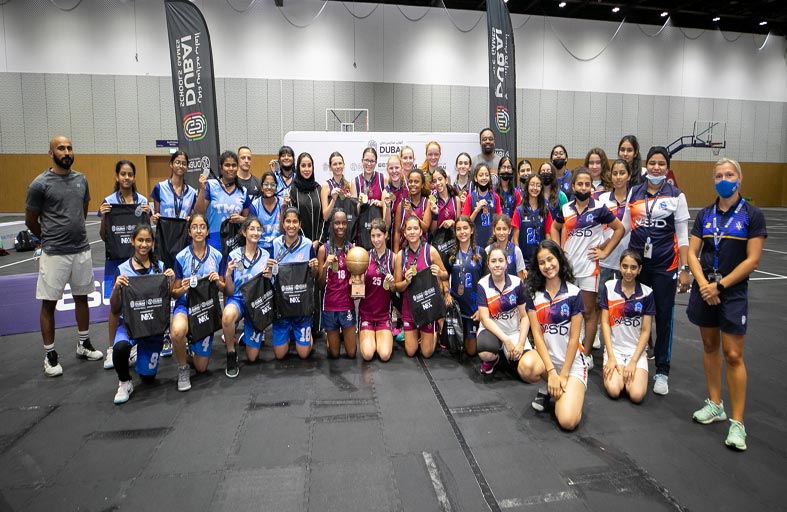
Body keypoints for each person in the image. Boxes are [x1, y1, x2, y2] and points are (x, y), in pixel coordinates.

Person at [687, 158, 766, 451]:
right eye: (719, 175)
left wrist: (719, 286)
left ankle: (738, 422)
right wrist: (704, 285)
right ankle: (715, 403)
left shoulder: (752, 215)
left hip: (731, 292)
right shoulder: (705, 214)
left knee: (733, 354)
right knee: (710, 346)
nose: (724, 179)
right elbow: (692, 253)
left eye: (729, 174)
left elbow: (752, 260)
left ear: (739, 179)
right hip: (705, 289)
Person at [25, 136, 102, 376]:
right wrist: (48, 238)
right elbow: (31, 220)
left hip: (81, 250)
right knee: (49, 303)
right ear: (51, 153)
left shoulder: (81, 180)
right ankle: (49, 354)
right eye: (61, 148)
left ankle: (83, 343)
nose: (66, 152)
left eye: (69, 148)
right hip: (54, 254)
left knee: (82, 298)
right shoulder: (39, 184)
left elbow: (83, 211)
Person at [628, 146, 691, 395]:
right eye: (652, 163)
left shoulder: (676, 195)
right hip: (638, 266)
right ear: (647, 165)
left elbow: (683, 237)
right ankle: (637, 359)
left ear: (667, 167)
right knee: (636, 313)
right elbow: (625, 227)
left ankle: (662, 370)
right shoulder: (635, 192)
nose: (656, 168)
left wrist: (685, 268)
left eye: (661, 164)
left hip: (666, 265)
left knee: (664, 317)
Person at [550, 168, 625, 369]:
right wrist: (558, 250)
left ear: (591, 187)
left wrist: (605, 251)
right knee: (567, 311)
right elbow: (554, 228)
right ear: (573, 186)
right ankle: (569, 349)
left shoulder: (599, 208)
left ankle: (587, 354)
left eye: (587, 184)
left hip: (589, 269)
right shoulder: (566, 208)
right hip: (568, 269)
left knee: (589, 312)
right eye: (580, 184)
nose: (583, 188)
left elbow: (620, 229)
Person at [517, 240, 587, 431]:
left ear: (559, 259)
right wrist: (551, 372)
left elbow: (574, 339)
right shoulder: (533, 295)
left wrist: (563, 374)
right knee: (525, 367)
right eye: (542, 262)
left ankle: (565, 391)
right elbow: (537, 336)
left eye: (550, 259)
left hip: (571, 364)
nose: (547, 266)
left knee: (567, 421)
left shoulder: (574, 293)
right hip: (547, 360)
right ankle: (549, 387)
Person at [108, 224, 176, 404]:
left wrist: (171, 281)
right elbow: (114, 308)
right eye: (140, 240)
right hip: (130, 325)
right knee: (119, 348)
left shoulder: (160, 266)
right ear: (132, 241)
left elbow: (166, 300)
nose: (144, 244)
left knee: (148, 377)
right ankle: (125, 382)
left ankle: (138, 354)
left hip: (152, 328)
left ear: (153, 243)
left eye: (148, 240)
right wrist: (116, 288)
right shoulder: (122, 269)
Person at [99, 160, 152, 366]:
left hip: (139, 262)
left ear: (134, 177)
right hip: (117, 261)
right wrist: (104, 216)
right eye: (123, 174)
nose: (127, 177)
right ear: (117, 176)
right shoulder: (109, 202)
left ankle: (136, 342)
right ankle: (112, 348)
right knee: (116, 307)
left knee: (139, 303)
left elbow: (148, 233)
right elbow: (104, 236)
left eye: (130, 174)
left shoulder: (142, 201)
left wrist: (148, 214)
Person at [170, 214, 224, 391]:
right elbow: (174, 293)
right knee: (177, 332)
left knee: (201, 367)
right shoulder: (181, 257)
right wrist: (183, 289)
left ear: (207, 231)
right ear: (189, 231)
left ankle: (190, 349)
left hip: (205, 308)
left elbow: (224, 288)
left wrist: (218, 282)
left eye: (202, 227)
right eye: (195, 227)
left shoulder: (217, 255)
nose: (198, 230)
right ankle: (183, 368)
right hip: (185, 306)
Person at [599, 249, 654, 403]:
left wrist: (633, 362)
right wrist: (611, 357)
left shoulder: (647, 293)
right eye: (625, 266)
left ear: (639, 269)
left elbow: (645, 331)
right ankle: (618, 369)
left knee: (636, 395)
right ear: (619, 266)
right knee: (614, 390)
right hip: (615, 350)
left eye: (633, 267)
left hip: (635, 352)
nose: (628, 271)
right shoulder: (609, 287)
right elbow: (605, 323)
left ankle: (630, 370)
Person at [221, 217, 273, 378]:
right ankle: (231, 353)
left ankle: (246, 336)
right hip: (238, 299)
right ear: (244, 232)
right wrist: (228, 275)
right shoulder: (234, 255)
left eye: (258, 229)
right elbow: (229, 291)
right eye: (252, 229)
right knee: (227, 316)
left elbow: (271, 286)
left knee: (252, 357)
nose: (255, 232)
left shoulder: (266, 255)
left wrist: (271, 276)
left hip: (256, 303)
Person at [394, 215, 449, 358]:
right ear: (405, 233)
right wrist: (406, 282)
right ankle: (419, 335)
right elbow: (397, 286)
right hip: (409, 306)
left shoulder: (430, 251)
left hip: (428, 306)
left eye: (415, 228)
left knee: (426, 353)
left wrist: (439, 272)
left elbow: (445, 274)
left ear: (420, 232)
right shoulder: (401, 255)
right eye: (409, 229)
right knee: (411, 351)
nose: (412, 232)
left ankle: (434, 332)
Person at [270, 207, 320, 360]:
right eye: (288, 221)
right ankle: (289, 333)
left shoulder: (307, 244)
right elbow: (271, 275)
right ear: (283, 223)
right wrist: (269, 270)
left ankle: (304, 336)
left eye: (295, 222)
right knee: (280, 355)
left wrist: (315, 267)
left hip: (301, 307)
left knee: (304, 354)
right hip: (282, 306)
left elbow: (314, 276)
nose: (291, 225)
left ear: (300, 224)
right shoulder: (275, 244)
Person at [475, 246, 529, 375]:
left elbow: (525, 317)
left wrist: (521, 344)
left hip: (513, 331)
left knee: (529, 369)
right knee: (485, 353)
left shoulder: (517, 283)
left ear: (506, 263)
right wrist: (506, 340)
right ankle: (495, 359)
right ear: (488, 264)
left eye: (500, 260)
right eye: (493, 261)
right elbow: (485, 319)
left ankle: (509, 356)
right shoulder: (482, 284)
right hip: (492, 331)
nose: (497, 265)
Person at [290, 152, 324, 335]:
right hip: (300, 245)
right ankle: (300, 326)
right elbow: (293, 219)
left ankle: (316, 326)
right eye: (303, 165)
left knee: (317, 283)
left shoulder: (318, 188)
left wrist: (318, 240)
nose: (306, 169)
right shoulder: (293, 189)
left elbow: (324, 218)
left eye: (309, 165)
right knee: (302, 284)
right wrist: (306, 242)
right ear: (298, 167)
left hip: (318, 244)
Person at [194, 150, 250, 261]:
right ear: (221, 167)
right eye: (227, 165)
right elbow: (199, 212)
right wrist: (202, 189)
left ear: (237, 167)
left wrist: (241, 219)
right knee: (215, 270)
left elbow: (249, 220)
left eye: (234, 165)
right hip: (214, 239)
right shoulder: (210, 185)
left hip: (235, 241)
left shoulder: (243, 191)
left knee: (234, 269)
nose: (231, 168)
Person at [318, 209, 357, 358]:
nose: (341, 227)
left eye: (344, 223)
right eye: (337, 223)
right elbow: (319, 285)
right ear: (332, 225)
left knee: (351, 353)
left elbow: (358, 281)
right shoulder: (324, 250)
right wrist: (325, 266)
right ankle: (331, 339)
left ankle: (339, 336)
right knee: (334, 354)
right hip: (330, 305)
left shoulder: (352, 249)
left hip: (347, 305)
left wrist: (355, 280)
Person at [447, 216, 485, 357]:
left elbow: (486, 283)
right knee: (454, 349)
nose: (462, 232)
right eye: (458, 229)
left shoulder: (480, 253)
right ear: (455, 232)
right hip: (456, 307)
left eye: (465, 228)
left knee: (471, 351)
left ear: (472, 230)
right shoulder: (451, 254)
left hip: (473, 308)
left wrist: (481, 308)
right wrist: (446, 293)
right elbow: (444, 277)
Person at [359, 219, 395, 362]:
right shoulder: (364, 257)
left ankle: (382, 334)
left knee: (384, 355)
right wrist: (357, 281)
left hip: (383, 315)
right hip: (366, 314)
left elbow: (397, 289)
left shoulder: (393, 258)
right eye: (373, 236)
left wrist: (392, 284)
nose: (376, 239)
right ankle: (367, 334)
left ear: (386, 235)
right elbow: (356, 289)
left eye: (379, 235)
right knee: (368, 354)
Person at [597, 159, 632, 288]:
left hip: (627, 261)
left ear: (629, 176)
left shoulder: (634, 199)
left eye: (622, 173)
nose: (618, 177)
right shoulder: (602, 199)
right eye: (615, 173)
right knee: (601, 298)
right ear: (610, 176)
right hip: (604, 261)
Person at [511, 174, 552, 273]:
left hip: (541, 261)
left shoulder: (545, 211)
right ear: (527, 186)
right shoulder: (519, 210)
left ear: (541, 188)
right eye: (532, 184)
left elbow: (548, 236)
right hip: (524, 262)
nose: (535, 188)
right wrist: (520, 264)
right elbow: (515, 239)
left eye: (538, 185)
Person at [461, 164, 502, 257]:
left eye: (486, 175)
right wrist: (476, 210)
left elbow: (500, 221)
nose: (484, 178)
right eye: (481, 175)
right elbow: (465, 223)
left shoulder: (495, 197)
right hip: (476, 242)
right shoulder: (470, 197)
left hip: (492, 242)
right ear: (476, 178)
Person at [150, 151, 198, 223]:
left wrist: (191, 219)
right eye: (177, 162)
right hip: (165, 229)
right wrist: (155, 218)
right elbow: (156, 216)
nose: (181, 166)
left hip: (184, 229)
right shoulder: (160, 187)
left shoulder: (192, 192)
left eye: (184, 164)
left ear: (187, 167)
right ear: (171, 164)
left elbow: (192, 216)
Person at [354, 147, 387, 249]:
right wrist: (359, 204)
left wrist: (382, 203)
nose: (369, 164)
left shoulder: (383, 179)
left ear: (376, 163)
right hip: (362, 233)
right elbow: (353, 214)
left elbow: (389, 204)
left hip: (379, 233)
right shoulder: (355, 182)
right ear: (362, 161)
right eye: (366, 160)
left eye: (372, 161)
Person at [393, 169, 432, 253]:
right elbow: (397, 232)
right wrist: (396, 253)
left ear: (422, 185)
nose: (413, 184)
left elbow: (425, 228)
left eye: (416, 182)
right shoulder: (402, 204)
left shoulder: (427, 203)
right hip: (404, 251)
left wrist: (411, 212)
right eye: (410, 181)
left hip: (422, 251)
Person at [429, 168, 460, 268]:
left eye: (440, 179)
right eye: (435, 181)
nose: (438, 183)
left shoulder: (456, 200)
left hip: (454, 244)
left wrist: (453, 222)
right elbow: (432, 231)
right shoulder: (432, 201)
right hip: (439, 247)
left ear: (446, 180)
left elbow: (460, 225)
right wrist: (435, 215)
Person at [249, 171, 283, 257]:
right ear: (261, 187)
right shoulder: (254, 206)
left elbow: (286, 230)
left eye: (272, 184)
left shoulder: (283, 203)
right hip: (260, 249)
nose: (269, 187)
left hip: (280, 248)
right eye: (266, 184)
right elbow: (251, 232)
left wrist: (284, 208)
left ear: (276, 187)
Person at [486, 215, 527, 281]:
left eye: (504, 229)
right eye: (498, 229)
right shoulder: (488, 250)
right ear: (494, 230)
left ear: (509, 230)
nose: (501, 232)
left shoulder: (516, 251)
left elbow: (520, 278)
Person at [384, 154, 407, 234]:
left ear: (402, 168)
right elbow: (386, 226)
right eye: (391, 168)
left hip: (411, 234)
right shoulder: (386, 192)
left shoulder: (410, 186)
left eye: (397, 167)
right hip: (394, 236)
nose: (394, 171)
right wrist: (387, 207)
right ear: (387, 170)